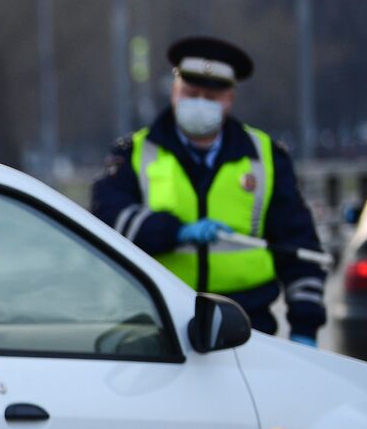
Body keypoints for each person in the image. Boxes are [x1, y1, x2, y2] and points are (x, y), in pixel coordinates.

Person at [91, 36, 325, 345]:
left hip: (248, 329)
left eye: (211, 97)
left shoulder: (265, 158)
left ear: (229, 99)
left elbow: (299, 247)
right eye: (191, 93)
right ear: (174, 91)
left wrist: (305, 328)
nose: (199, 103)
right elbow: (106, 218)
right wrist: (175, 232)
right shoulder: (135, 153)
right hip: (156, 327)